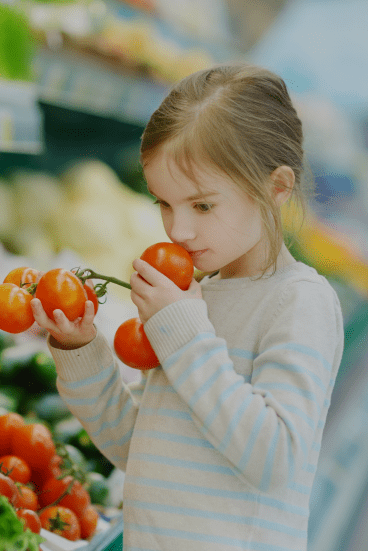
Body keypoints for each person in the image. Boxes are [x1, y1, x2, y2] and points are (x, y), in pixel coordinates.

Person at [31, 62, 344, 551]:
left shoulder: (300, 302)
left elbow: (275, 455)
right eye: (164, 203)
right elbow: (142, 449)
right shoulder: (198, 298)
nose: (178, 231)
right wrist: (82, 350)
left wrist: (183, 331)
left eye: (201, 206)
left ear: (276, 188)